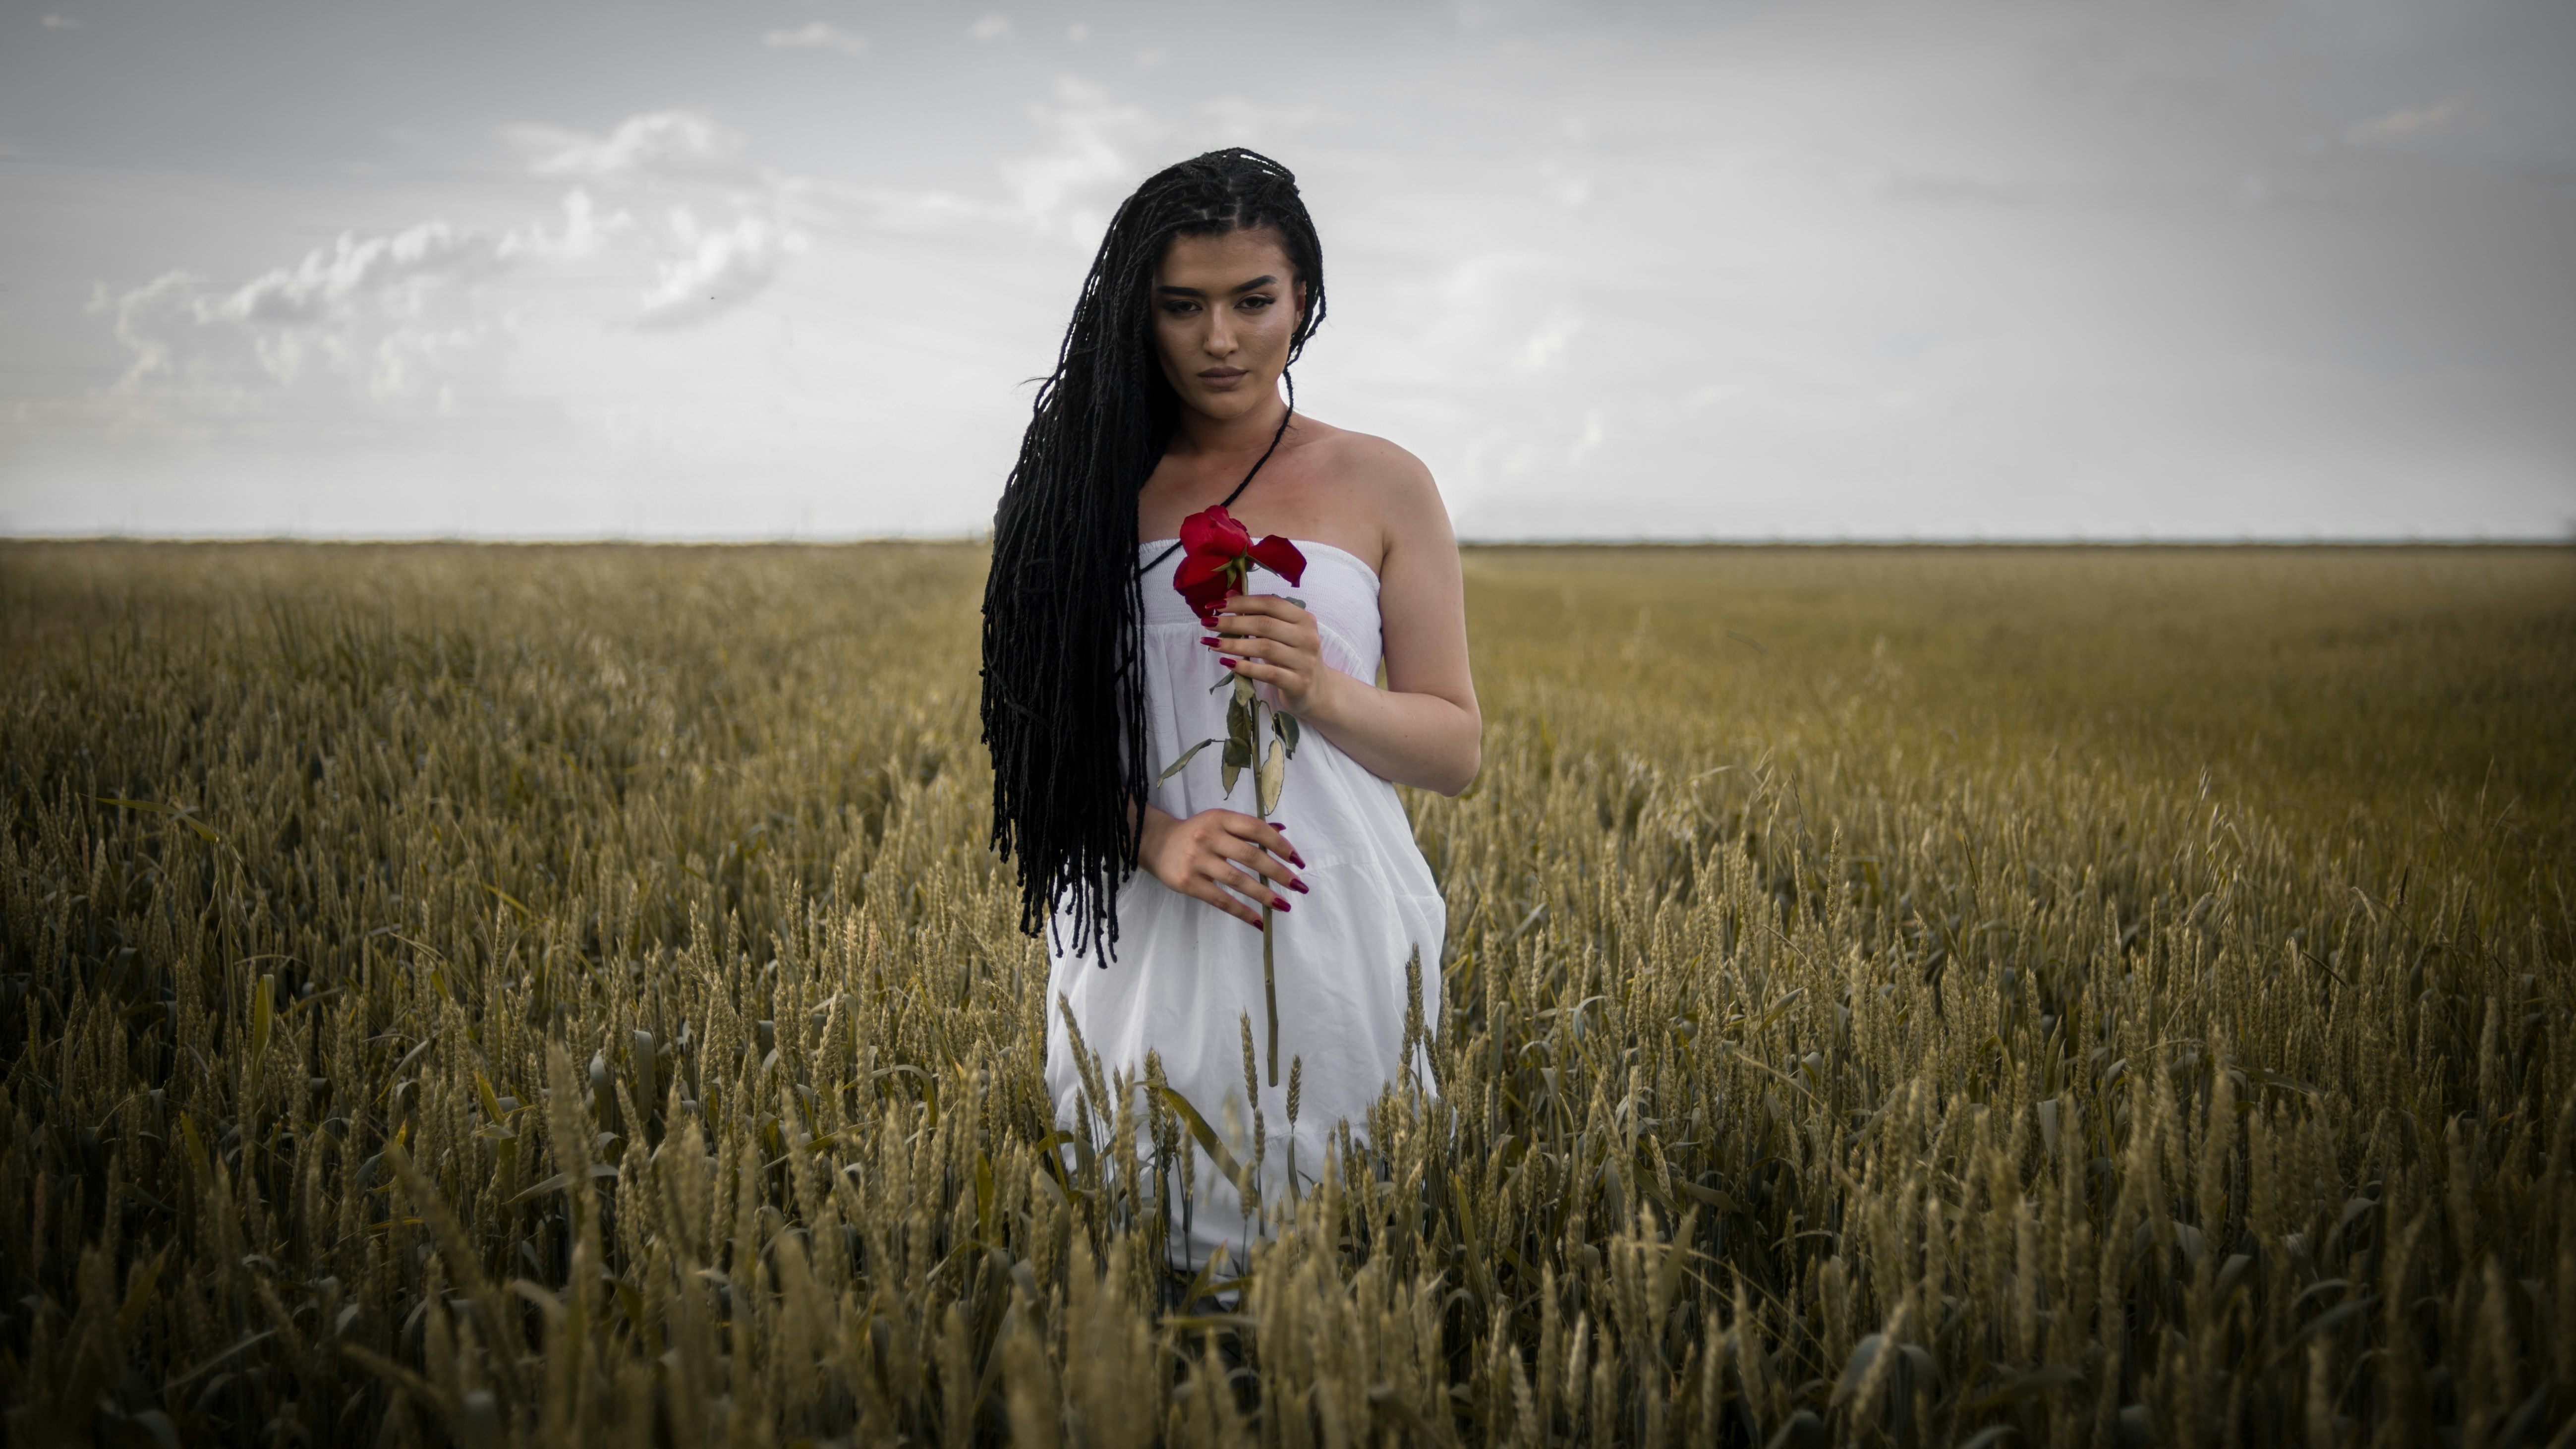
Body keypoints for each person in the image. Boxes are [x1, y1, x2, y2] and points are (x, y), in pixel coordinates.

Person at [981, 148, 1480, 1274]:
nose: (1220, 338)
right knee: (1142, 1257)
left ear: (1303, 298)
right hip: (1143, 945)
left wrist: (1320, 690)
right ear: (1137, 312)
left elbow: (1454, 749)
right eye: (1182, 305)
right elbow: (1031, 753)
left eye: (1253, 300)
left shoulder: (1382, 482)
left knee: (1347, 1265)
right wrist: (1155, 839)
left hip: (1340, 932)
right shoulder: (1082, 489)